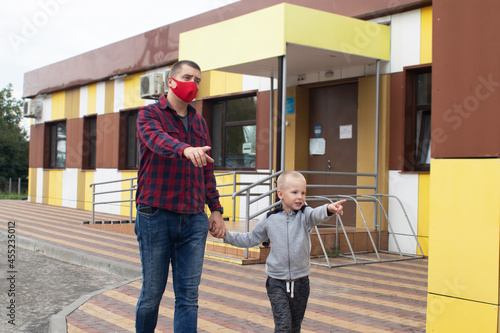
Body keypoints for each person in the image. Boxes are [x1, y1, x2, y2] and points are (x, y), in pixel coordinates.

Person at [135, 60, 226, 333]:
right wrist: (185, 149)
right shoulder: (148, 114)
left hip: (194, 219)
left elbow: (207, 168)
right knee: (152, 294)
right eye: (188, 77)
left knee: (188, 297)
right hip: (156, 215)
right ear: (171, 81)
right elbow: (157, 141)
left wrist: (216, 209)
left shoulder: (199, 122)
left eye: (198, 79)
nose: (193, 84)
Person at [221, 171, 345, 332]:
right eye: (294, 192)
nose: (300, 197)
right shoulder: (270, 219)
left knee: (294, 327)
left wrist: (329, 208)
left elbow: (317, 214)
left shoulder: (305, 215)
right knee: (283, 325)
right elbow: (250, 238)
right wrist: (226, 236)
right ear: (281, 194)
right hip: (276, 282)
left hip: (301, 282)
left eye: (303, 193)